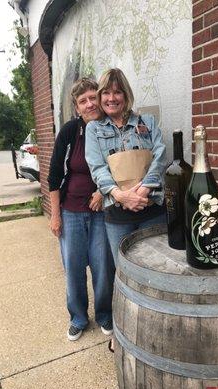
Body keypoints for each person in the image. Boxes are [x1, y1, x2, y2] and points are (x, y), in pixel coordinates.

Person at [48, 78, 115, 341]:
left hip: (102, 212)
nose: (89, 104)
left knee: (102, 268)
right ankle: (77, 317)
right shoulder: (69, 132)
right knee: (73, 268)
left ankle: (105, 315)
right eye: (82, 101)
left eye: (92, 98)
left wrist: (101, 192)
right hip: (71, 212)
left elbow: (119, 169)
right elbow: (54, 175)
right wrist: (55, 216)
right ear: (77, 108)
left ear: (100, 99)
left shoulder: (112, 128)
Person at [85, 68, 167, 265]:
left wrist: (144, 191)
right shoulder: (94, 129)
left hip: (152, 208)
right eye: (106, 92)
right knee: (125, 270)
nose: (111, 98)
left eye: (117, 92)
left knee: (158, 266)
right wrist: (121, 196)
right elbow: (97, 168)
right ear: (100, 96)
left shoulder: (147, 122)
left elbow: (160, 156)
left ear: (126, 95)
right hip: (118, 213)